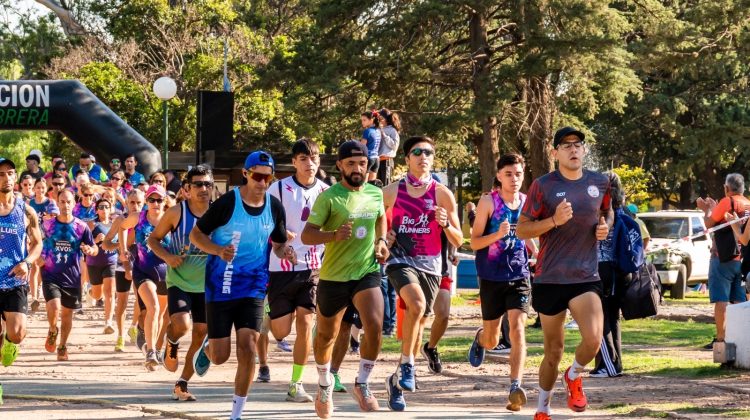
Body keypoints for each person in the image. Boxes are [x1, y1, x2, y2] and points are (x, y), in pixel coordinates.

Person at [190, 151, 295, 420]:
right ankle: (209, 346)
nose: (262, 182)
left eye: (268, 177)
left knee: (248, 345)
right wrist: (216, 250)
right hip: (221, 284)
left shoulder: (274, 207)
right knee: (220, 357)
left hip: (254, 286)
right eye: (257, 176)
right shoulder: (228, 203)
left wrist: (286, 252)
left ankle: (236, 413)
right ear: (246, 174)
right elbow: (196, 234)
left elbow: (279, 242)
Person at [516, 127, 612, 420]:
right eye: (566, 145)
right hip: (550, 277)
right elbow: (522, 229)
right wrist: (553, 221)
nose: (573, 149)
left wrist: (604, 226)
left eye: (578, 144)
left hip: (585, 276)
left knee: (594, 339)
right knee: (553, 351)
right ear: (554, 152)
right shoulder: (543, 186)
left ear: (584, 150)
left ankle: (574, 375)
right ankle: (543, 407)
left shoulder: (600, 182)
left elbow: (607, 212)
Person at [300, 140, 389, 418]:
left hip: (366, 271)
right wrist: (333, 236)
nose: (357, 168)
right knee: (326, 335)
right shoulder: (329, 197)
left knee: (374, 324)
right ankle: (325, 383)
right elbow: (307, 235)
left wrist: (382, 241)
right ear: (339, 165)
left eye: (362, 163)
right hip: (334, 276)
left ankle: (362, 382)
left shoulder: (375, 193)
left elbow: (380, 218)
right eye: (351, 163)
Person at [382, 136, 462, 412]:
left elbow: (459, 237)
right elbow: (376, 226)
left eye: (428, 152)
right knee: (415, 305)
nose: (423, 156)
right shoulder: (392, 192)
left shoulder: (442, 194)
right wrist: (384, 237)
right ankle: (407, 364)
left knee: (419, 323)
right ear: (407, 159)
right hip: (400, 261)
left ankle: (396, 380)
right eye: (417, 152)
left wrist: (445, 225)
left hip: (431, 265)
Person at [468, 153, 534, 411]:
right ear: (499, 176)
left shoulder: (527, 202)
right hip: (491, 276)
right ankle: (481, 337)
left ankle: (515, 387)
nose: (514, 179)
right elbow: (474, 243)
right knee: (493, 340)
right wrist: (497, 234)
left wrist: (537, 252)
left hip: (519, 275)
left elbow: (526, 235)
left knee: (518, 329)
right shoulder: (488, 202)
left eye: (518, 174)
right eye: (509, 174)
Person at [267, 139, 329, 403]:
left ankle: (296, 383)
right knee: (281, 331)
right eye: (303, 158)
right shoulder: (277, 189)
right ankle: (265, 317)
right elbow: (264, 224)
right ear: (294, 162)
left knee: (306, 323)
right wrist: (280, 238)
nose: (310, 163)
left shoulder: (328, 192)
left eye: (314, 158)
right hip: (280, 268)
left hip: (313, 268)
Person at [147, 165, 213, 401]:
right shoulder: (177, 213)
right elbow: (153, 239)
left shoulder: (219, 214)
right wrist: (167, 256)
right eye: (198, 184)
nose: (204, 189)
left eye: (208, 184)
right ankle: (171, 340)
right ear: (186, 189)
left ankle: (182, 383)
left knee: (201, 332)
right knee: (182, 325)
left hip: (207, 284)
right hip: (180, 280)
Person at [116, 185, 171, 370]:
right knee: (153, 308)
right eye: (152, 200)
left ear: (165, 202)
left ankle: (151, 345)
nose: (155, 204)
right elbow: (122, 227)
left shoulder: (171, 219)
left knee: (161, 314)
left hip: (166, 273)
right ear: (146, 202)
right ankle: (151, 351)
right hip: (143, 271)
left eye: (159, 200)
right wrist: (123, 250)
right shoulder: (138, 218)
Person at [41, 189, 98, 361]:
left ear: (74, 203)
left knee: (67, 315)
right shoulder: (48, 225)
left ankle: (62, 346)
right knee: (55, 307)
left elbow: (94, 248)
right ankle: (52, 329)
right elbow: (38, 244)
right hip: (51, 274)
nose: (65, 205)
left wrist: (90, 250)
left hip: (72, 277)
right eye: (62, 202)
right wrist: (39, 258)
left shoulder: (81, 227)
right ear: (57, 203)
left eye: (69, 202)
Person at [0, 157, 43, 385]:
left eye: (10, 173)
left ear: (15, 177)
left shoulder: (26, 211)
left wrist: (27, 262)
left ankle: (10, 341)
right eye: (0, 174)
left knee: (17, 333)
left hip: (15, 281)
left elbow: (38, 243)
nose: (5, 178)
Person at [698, 173, 750, 350]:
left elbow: (709, 224)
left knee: (721, 299)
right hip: (742, 259)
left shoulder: (727, 202)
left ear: (727, 188)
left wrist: (706, 209)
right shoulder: (748, 203)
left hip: (723, 258)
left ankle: (721, 339)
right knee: (740, 300)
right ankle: (741, 338)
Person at [103, 189, 145, 352]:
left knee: (142, 301)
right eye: (132, 202)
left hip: (142, 265)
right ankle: (120, 337)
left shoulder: (147, 220)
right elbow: (106, 244)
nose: (135, 206)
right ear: (126, 203)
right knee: (122, 302)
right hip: (122, 264)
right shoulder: (121, 219)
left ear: (144, 203)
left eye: (139, 203)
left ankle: (133, 326)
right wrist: (120, 246)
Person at [86, 198, 119, 335]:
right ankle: (90, 292)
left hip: (111, 260)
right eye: (101, 207)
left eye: (107, 206)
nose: (104, 209)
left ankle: (108, 322)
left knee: (110, 292)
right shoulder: (92, 224)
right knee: (98, 295)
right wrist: (95, 240)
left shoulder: (115, 225)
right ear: (97, 209)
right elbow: (85, 244)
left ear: (111, 209)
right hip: (94, 262)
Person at [28, 178, 59, 312]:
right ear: (34, 189)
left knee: (44, 266)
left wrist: (50, 217)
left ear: (46, 189)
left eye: (42, 187)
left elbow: (57, 218)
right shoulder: (30, 203)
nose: (40, 190)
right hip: (33, 237)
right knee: (34, 265)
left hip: (47, 238)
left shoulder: (50, 202)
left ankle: (41, 288)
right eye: (38, 187)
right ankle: (34, 297)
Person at [376, 108, 401, 185]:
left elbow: (394, 145)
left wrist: (384, 135)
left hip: (387, 161)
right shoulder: (379, 129)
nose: (379, 120)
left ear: (386, 119)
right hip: (378, 161)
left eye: (381, 118)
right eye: (378, 118)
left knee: (386, 184)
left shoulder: (392, 130)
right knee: (378, 185)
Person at [360, 111, 382, 182]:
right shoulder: (378, 131)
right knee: (372, 185)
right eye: (362, 120)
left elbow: (362, 147)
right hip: (376, 159)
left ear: (371, 120)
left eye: (364, 120)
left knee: (363, 184)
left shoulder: (367, 131)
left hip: (368, 158)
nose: (362, 122)